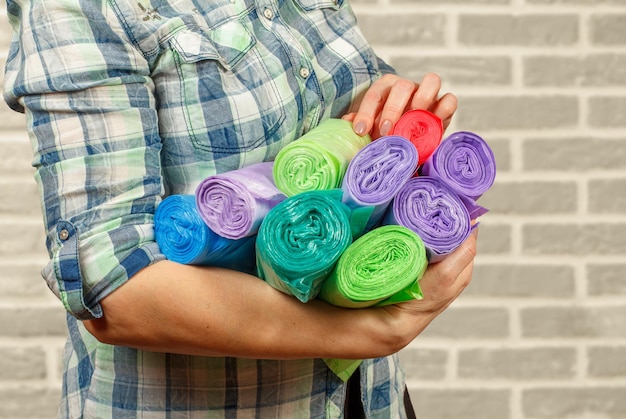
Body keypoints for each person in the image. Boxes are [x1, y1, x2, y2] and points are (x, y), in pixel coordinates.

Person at [3, 0, 476, 417]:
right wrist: (372, 331)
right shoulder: (81, 8)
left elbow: (331, 114)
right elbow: (116, 290)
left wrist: (388, 118)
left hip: (368, 396)